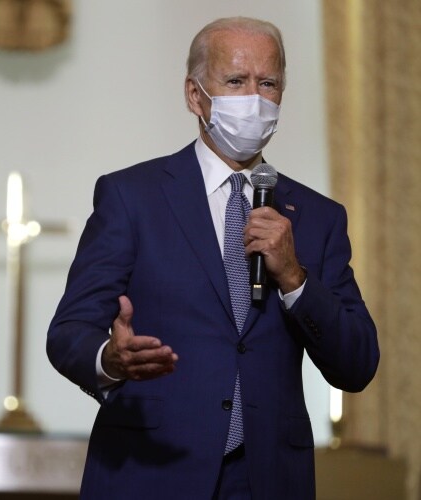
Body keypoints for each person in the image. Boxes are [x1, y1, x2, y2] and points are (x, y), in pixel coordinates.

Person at [47, 16, 379, 500]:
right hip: (151, 470)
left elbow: (358, 363)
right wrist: (110, 361)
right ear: (195, 95)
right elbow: (69, 331)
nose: (254, 99)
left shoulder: (318, 217)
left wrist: (295, 279)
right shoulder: (131, 197)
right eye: (236, 81)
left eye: (268, 83)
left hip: (267, 479)